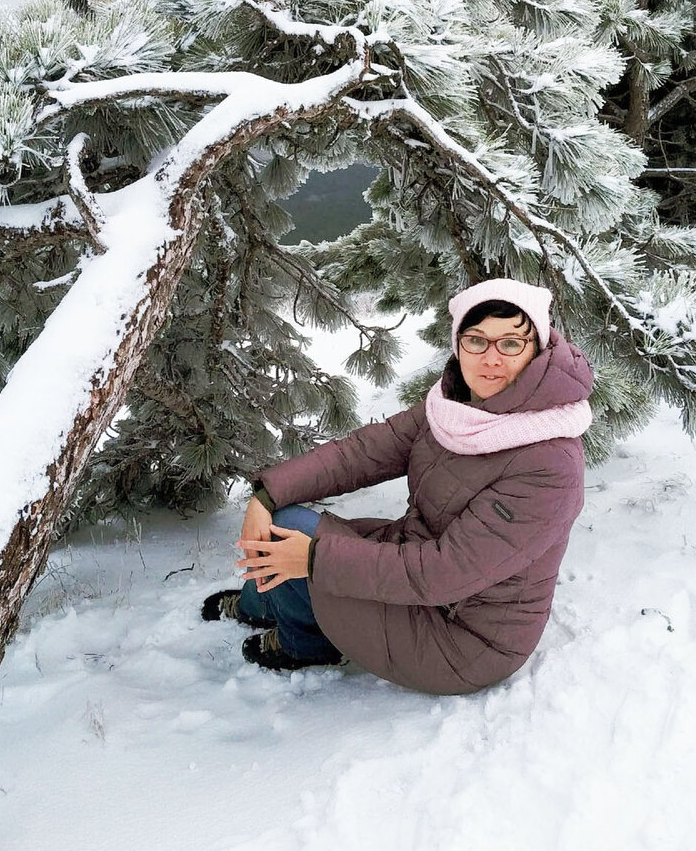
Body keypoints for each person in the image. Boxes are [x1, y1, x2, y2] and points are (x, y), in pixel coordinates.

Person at [200, 278, 593, 696]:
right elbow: (363, 453)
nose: (491, 359)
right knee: (285, 525)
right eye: (476, 340)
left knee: (301, 541)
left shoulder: (550, 465)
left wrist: (316, 560)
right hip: (417, 566)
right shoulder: (454, 407)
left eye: (511, 343)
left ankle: (306, 644)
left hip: (462, 639)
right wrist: (268, 493)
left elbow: (446, 573)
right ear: (458, 344)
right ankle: (259, 605)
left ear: (538, 348)